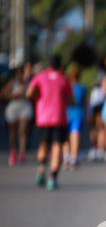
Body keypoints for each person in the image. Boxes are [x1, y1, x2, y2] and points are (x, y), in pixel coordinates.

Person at [27, 55, 73, 190]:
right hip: (59, 118)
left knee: (44, 144)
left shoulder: (40, 77)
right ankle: (52, 179)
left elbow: (29, 93)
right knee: (57, 146)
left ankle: (41, 167)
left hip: (43, 118)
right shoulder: (63, 79)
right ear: (60, 66)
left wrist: (39, 99)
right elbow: (71, 99)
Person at [3, 65, 33, 166]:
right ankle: (13, 151)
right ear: (16, 74)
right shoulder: (12, 83)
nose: (20, 75)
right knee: (13, 132)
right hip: (13, 107)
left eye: (22, 73)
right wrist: (14, 95)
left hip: (25, 107)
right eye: (19, 73)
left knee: (23, 131)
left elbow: (34, 95)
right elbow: (3, 94)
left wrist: (27, 95)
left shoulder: (29, 83)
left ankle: (22, 153)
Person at [64, 64, 88, 169]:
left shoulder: (66, 87)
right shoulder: (82, 88)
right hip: (78, 114)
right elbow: (86, 103)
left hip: (66, 114)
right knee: (75, 136)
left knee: (66, 137)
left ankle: (66, 158)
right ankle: (74, 158)